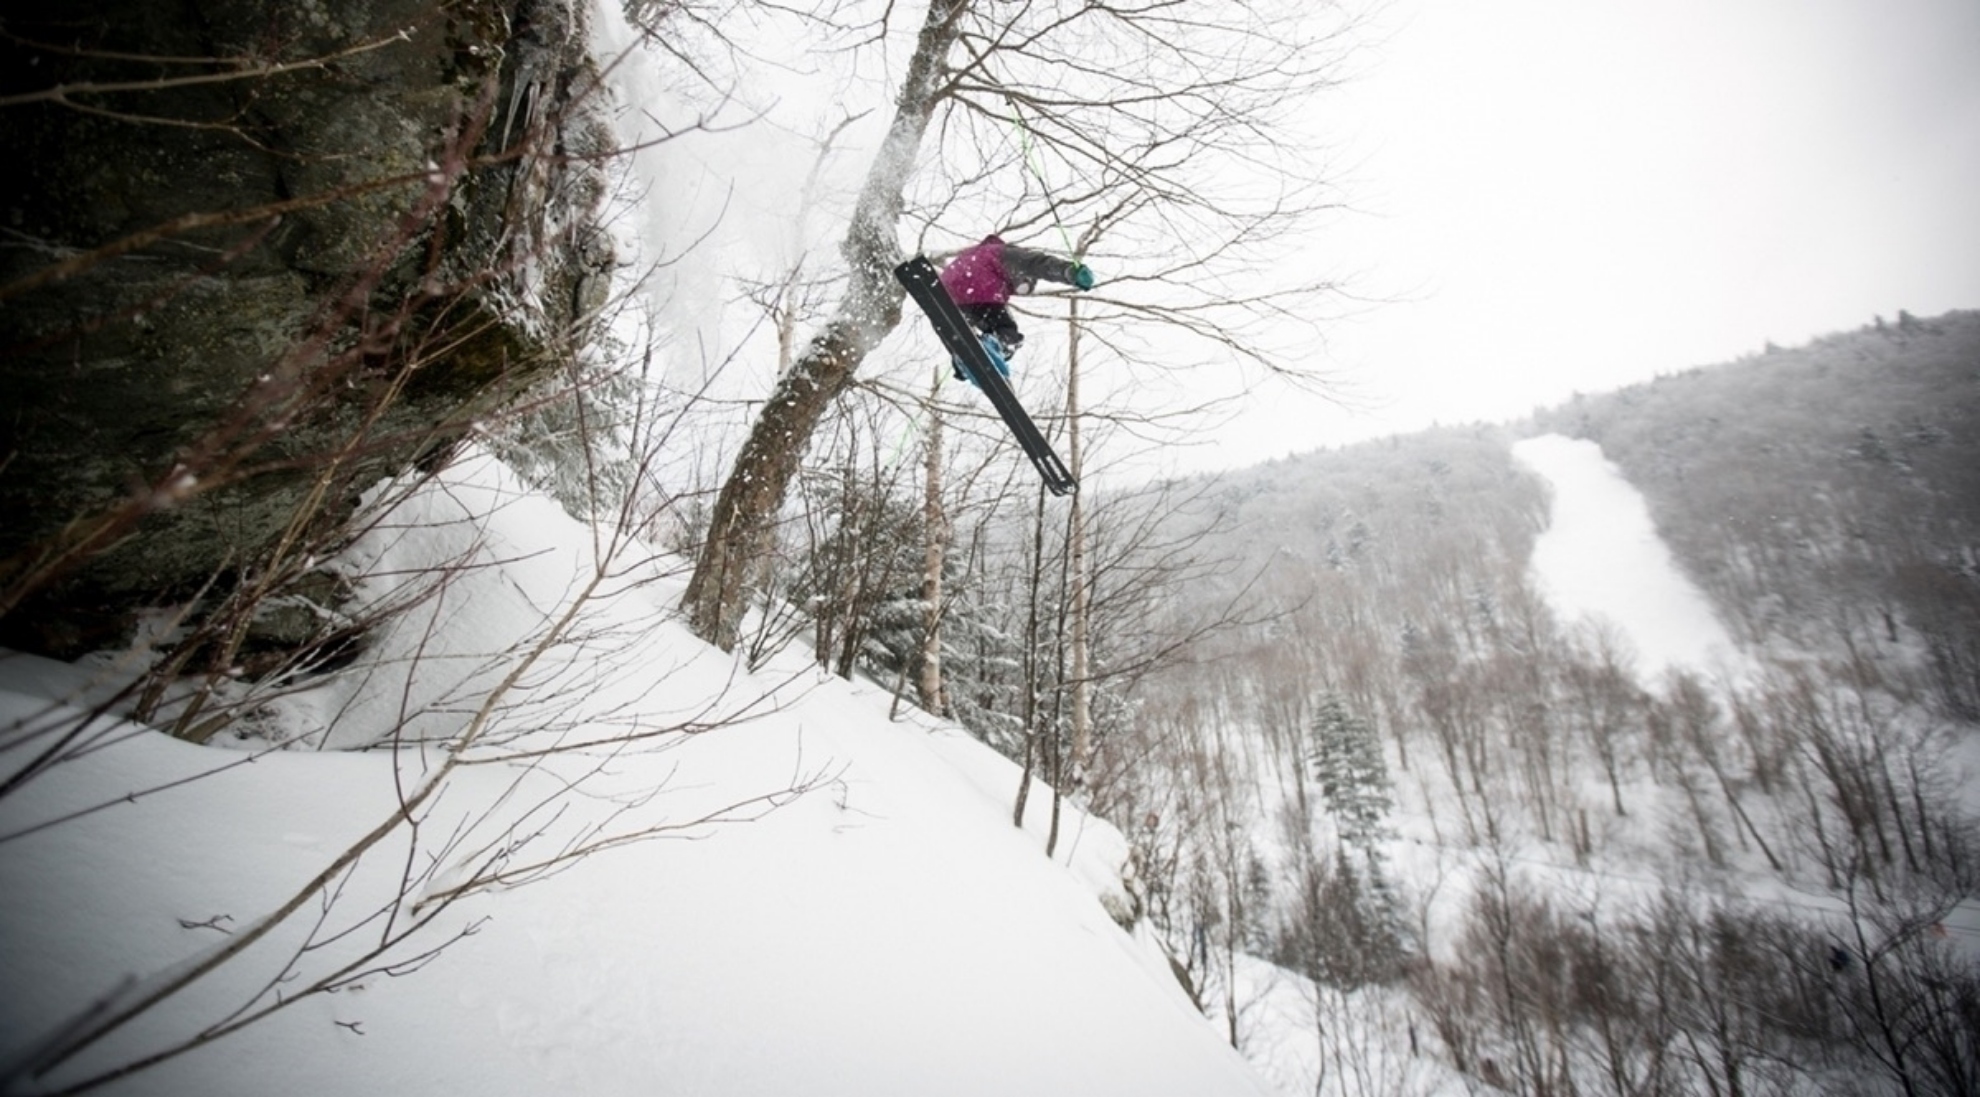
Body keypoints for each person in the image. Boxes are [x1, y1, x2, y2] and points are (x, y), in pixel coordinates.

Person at [938, 234, 1096, 380]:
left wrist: (957, 350)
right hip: (978, 287)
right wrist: (1069, 272)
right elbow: (1038, 263)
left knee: (958, 332)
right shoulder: (1006, 254)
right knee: (1008, 331)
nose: (1023, 287)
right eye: (1025, 282)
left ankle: (962, 360)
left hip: (947, 292)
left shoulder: (971, 254)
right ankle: (997, 347)